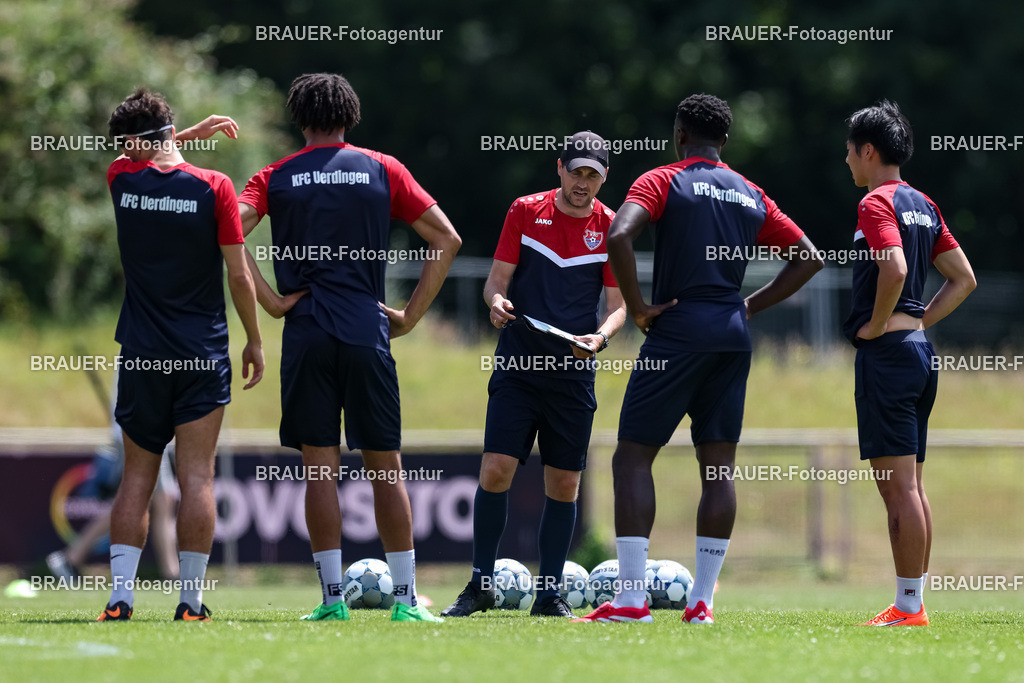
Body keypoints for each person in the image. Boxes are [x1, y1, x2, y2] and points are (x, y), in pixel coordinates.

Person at [573, 93, 823, 625]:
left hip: (677, 335)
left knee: (633, 457)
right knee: (718, 468)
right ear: (725, 141)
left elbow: (619, 233)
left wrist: (638, 309)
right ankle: (702, 602)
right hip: (731, 338)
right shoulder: (751, 192)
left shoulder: (663, 179)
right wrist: (748, 306)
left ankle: (633, 600)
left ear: (679, 134)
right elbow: (809, 258)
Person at [237, 72, 461, 623]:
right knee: (386, 469)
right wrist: (409, 315)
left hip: (306, 329)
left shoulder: (275, 176)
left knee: (319, 470)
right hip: (366, 329)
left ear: (299, 117)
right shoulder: (383, 169)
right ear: (350, 115)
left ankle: (332, 600)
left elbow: (227, 231)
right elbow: (447, 239)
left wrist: (268, 299)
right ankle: (406, 602)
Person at [441, 132, 626, 618]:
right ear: (560, 168)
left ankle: (549, 595)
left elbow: (619, 306)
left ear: (603, 180)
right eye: (577, 172)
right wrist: (496, 304)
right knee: (495, 471)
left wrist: (601, 338)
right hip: (519, 366)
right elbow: (495, 283)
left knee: (564, 485)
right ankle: (480, 585)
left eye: (594, 176)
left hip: (572, 374)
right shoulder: (524, 211)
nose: (583, 183)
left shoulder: (611, 227)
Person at [98, 90, 265, 622]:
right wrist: (255, 339)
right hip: (202, 353)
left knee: (136, 479)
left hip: (143, 355)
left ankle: (120, 599)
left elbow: (148, 154)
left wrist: (183, 134)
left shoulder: (120, 180)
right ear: (168, 130)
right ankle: (190, 602)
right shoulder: (214, 187)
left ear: (132, 142)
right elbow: (239, 274)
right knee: (198, 478)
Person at [842, 100, 975, 627]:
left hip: (890, 358)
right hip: (919, 355)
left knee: (897, 488)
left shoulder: (877, 202)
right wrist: (919, 324)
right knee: (912, 486)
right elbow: (963, 278)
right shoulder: (924, 203)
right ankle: (912, 603)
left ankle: (908, 608)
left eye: (849, 151)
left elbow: (893, 268)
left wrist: (878, 324)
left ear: (868, 151)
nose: (847, 160)